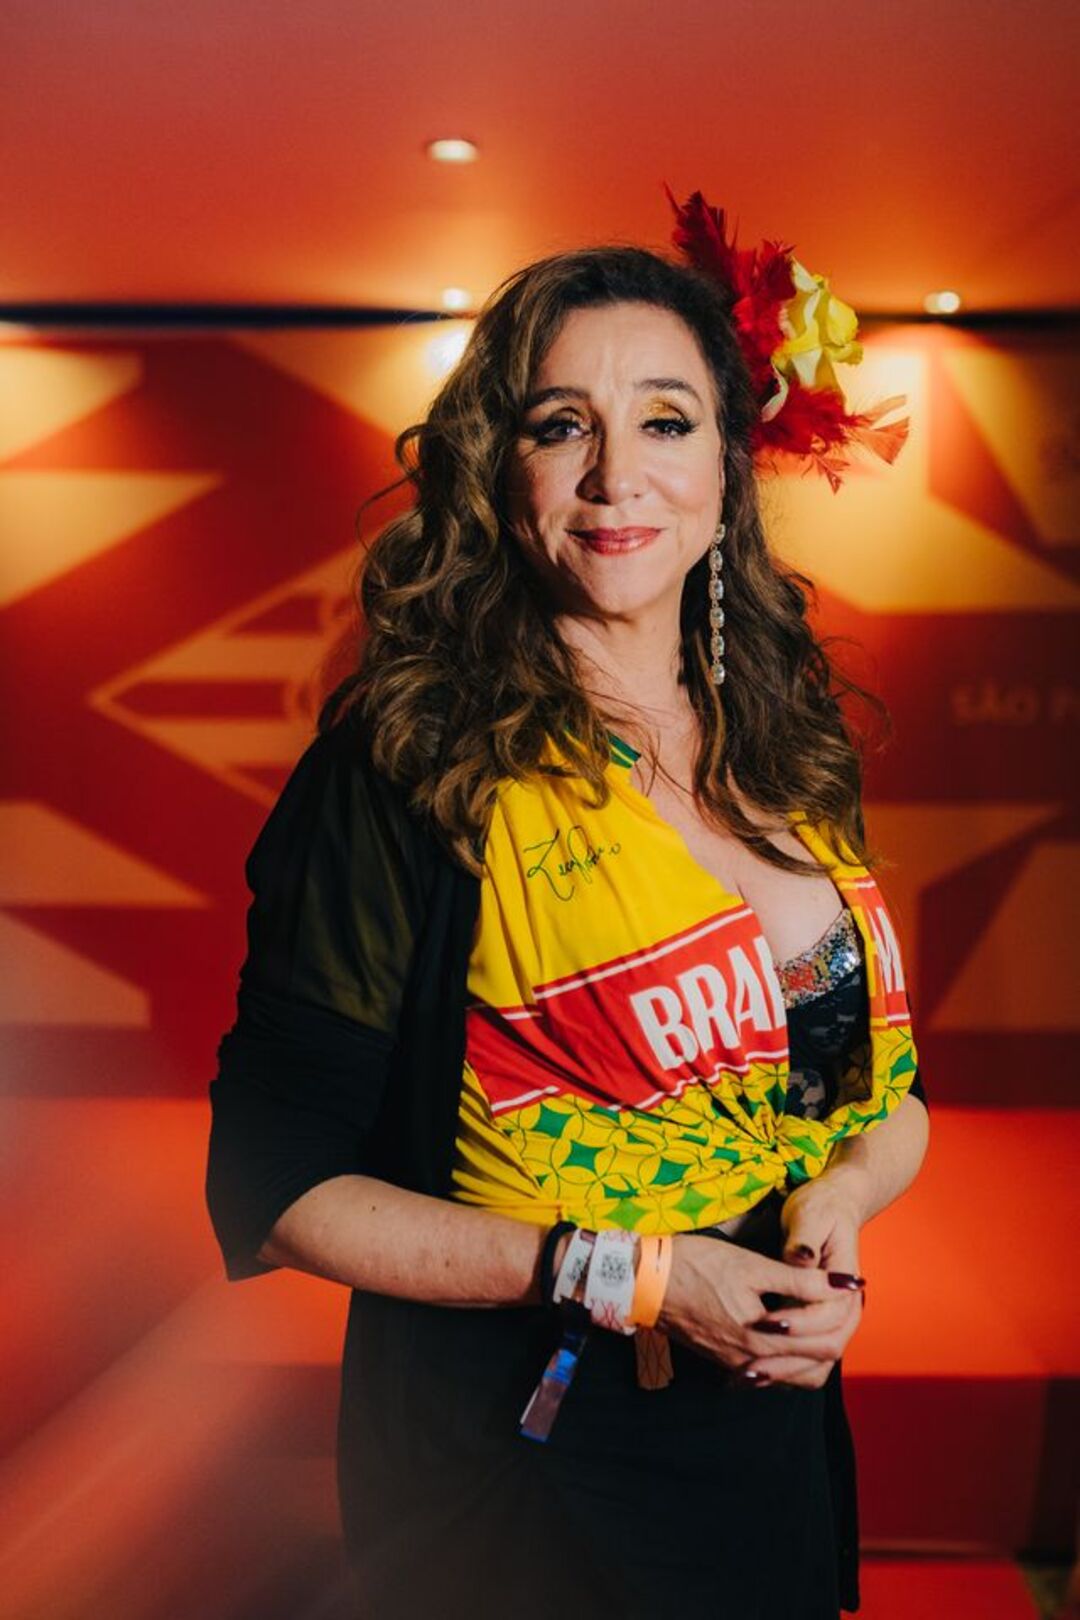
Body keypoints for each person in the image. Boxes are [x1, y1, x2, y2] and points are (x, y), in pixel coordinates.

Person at [206, 203, 929, 1620]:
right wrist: (635, 1275)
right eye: (560, 425)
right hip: (521, 1478)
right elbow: (275, 1189)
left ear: (726, 467)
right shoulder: (409, 768)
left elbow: (874, 1098)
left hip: (764, 1453)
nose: (616, 476)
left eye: (664, 421)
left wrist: (835, 1206)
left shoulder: (788, 752)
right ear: (501, 468)